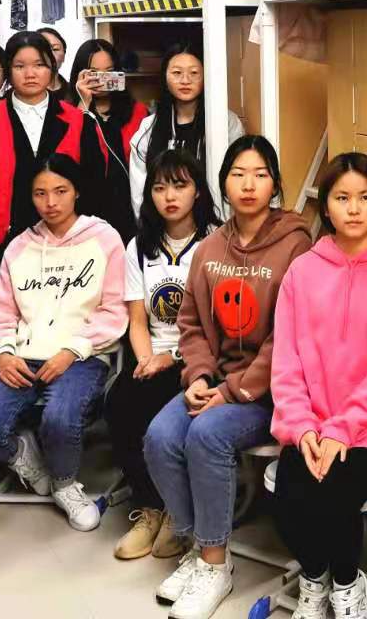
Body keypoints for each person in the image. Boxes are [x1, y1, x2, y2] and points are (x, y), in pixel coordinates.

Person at [145, 136, 310, 619]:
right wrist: (198, 376)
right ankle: (200, 548)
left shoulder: (297, 246)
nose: (249, 185)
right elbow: (192, 323)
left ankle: (215, 565)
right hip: (216, 379)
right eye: (238, 174)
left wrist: (233, 391)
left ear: (275, 184)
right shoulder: (211, 247)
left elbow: (289, 336)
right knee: (159, 437)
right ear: (223, 184)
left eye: (260, 174)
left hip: (268, 391)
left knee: (207, 435)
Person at [271, 152, 367, 619]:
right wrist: (303, 427)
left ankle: (346, 585)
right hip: (312, 424)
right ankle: (314, 580)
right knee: (290, 493)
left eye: (365, 197)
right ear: (326, 205)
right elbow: (286, 362)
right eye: (341, 198)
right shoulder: (302, 272)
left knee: (334, 491)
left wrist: (343, 429)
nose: (354, 209)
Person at [0, 155, 127, 532]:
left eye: (60, 191)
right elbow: (0, 313)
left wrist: (72, 350)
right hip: (22, 356)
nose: (50, 202)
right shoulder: (19, 246)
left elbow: (115, 310)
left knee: (59, 418)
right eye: (40, 193)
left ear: (77, 191)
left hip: (81, 356)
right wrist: (3, 354)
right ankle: (25, 455)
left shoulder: (105, 239)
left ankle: (65, 484)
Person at [107, 148, 220, 562]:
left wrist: (170, 357)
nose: (169, 196)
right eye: (159, 188)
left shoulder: (214, 241)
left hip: (199, 355)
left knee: (164, 411)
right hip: (152, 353)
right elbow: (137, 320)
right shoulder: (139, 246)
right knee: (119, 403)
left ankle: (178, 511)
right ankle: (149, 507)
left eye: (179, 185)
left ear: (197, 191)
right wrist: (144, 361)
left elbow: (216, 324)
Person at [0, 31, 118, 257]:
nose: (30, 74)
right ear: (7, 70)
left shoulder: (78, 120)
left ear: (52, 68)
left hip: (70, 245)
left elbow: (95, 187)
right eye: (19, 66)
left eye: (39, 65)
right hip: (3, 245)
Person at [128, 44, 244, 216]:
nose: (185, 80)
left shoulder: (226, 122)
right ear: (165, 77)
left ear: (206, 76)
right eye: (177, 73)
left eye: (194, 73)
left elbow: (237, 176)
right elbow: (139, 187)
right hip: (163, 224)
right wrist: (149, 224)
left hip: (215, 222)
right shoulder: (149, 127)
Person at [72, 36, 149, 240]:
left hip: (130, 211)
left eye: (109, 71)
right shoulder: (68, 113)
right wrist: (83, 103)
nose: (102, 79)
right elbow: (68, 156)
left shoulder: (139, 113)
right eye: (94, 73)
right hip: (83, 215)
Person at [38, 27, 75, 102]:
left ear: (64, 56)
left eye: (55, 49)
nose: (50, 54)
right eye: (43, 48)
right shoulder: (20, 92)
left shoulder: (75, 93)